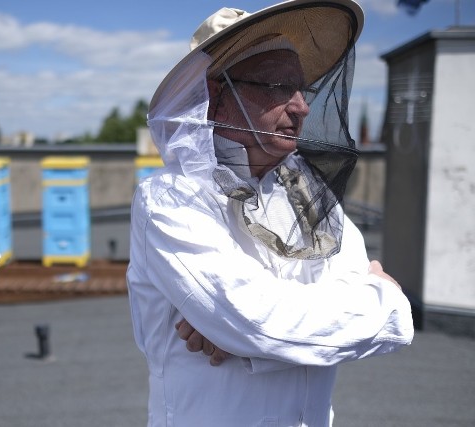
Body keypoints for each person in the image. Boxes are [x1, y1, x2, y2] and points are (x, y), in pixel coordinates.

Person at [127, 1, 414, 426]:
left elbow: (257, 324)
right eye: (277, 86)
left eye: (302, 89)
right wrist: (384, 301)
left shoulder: (311, 198)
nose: (300, 107)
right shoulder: (172, 200)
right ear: (214, 98)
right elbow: (259, 321)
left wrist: (243, 340)